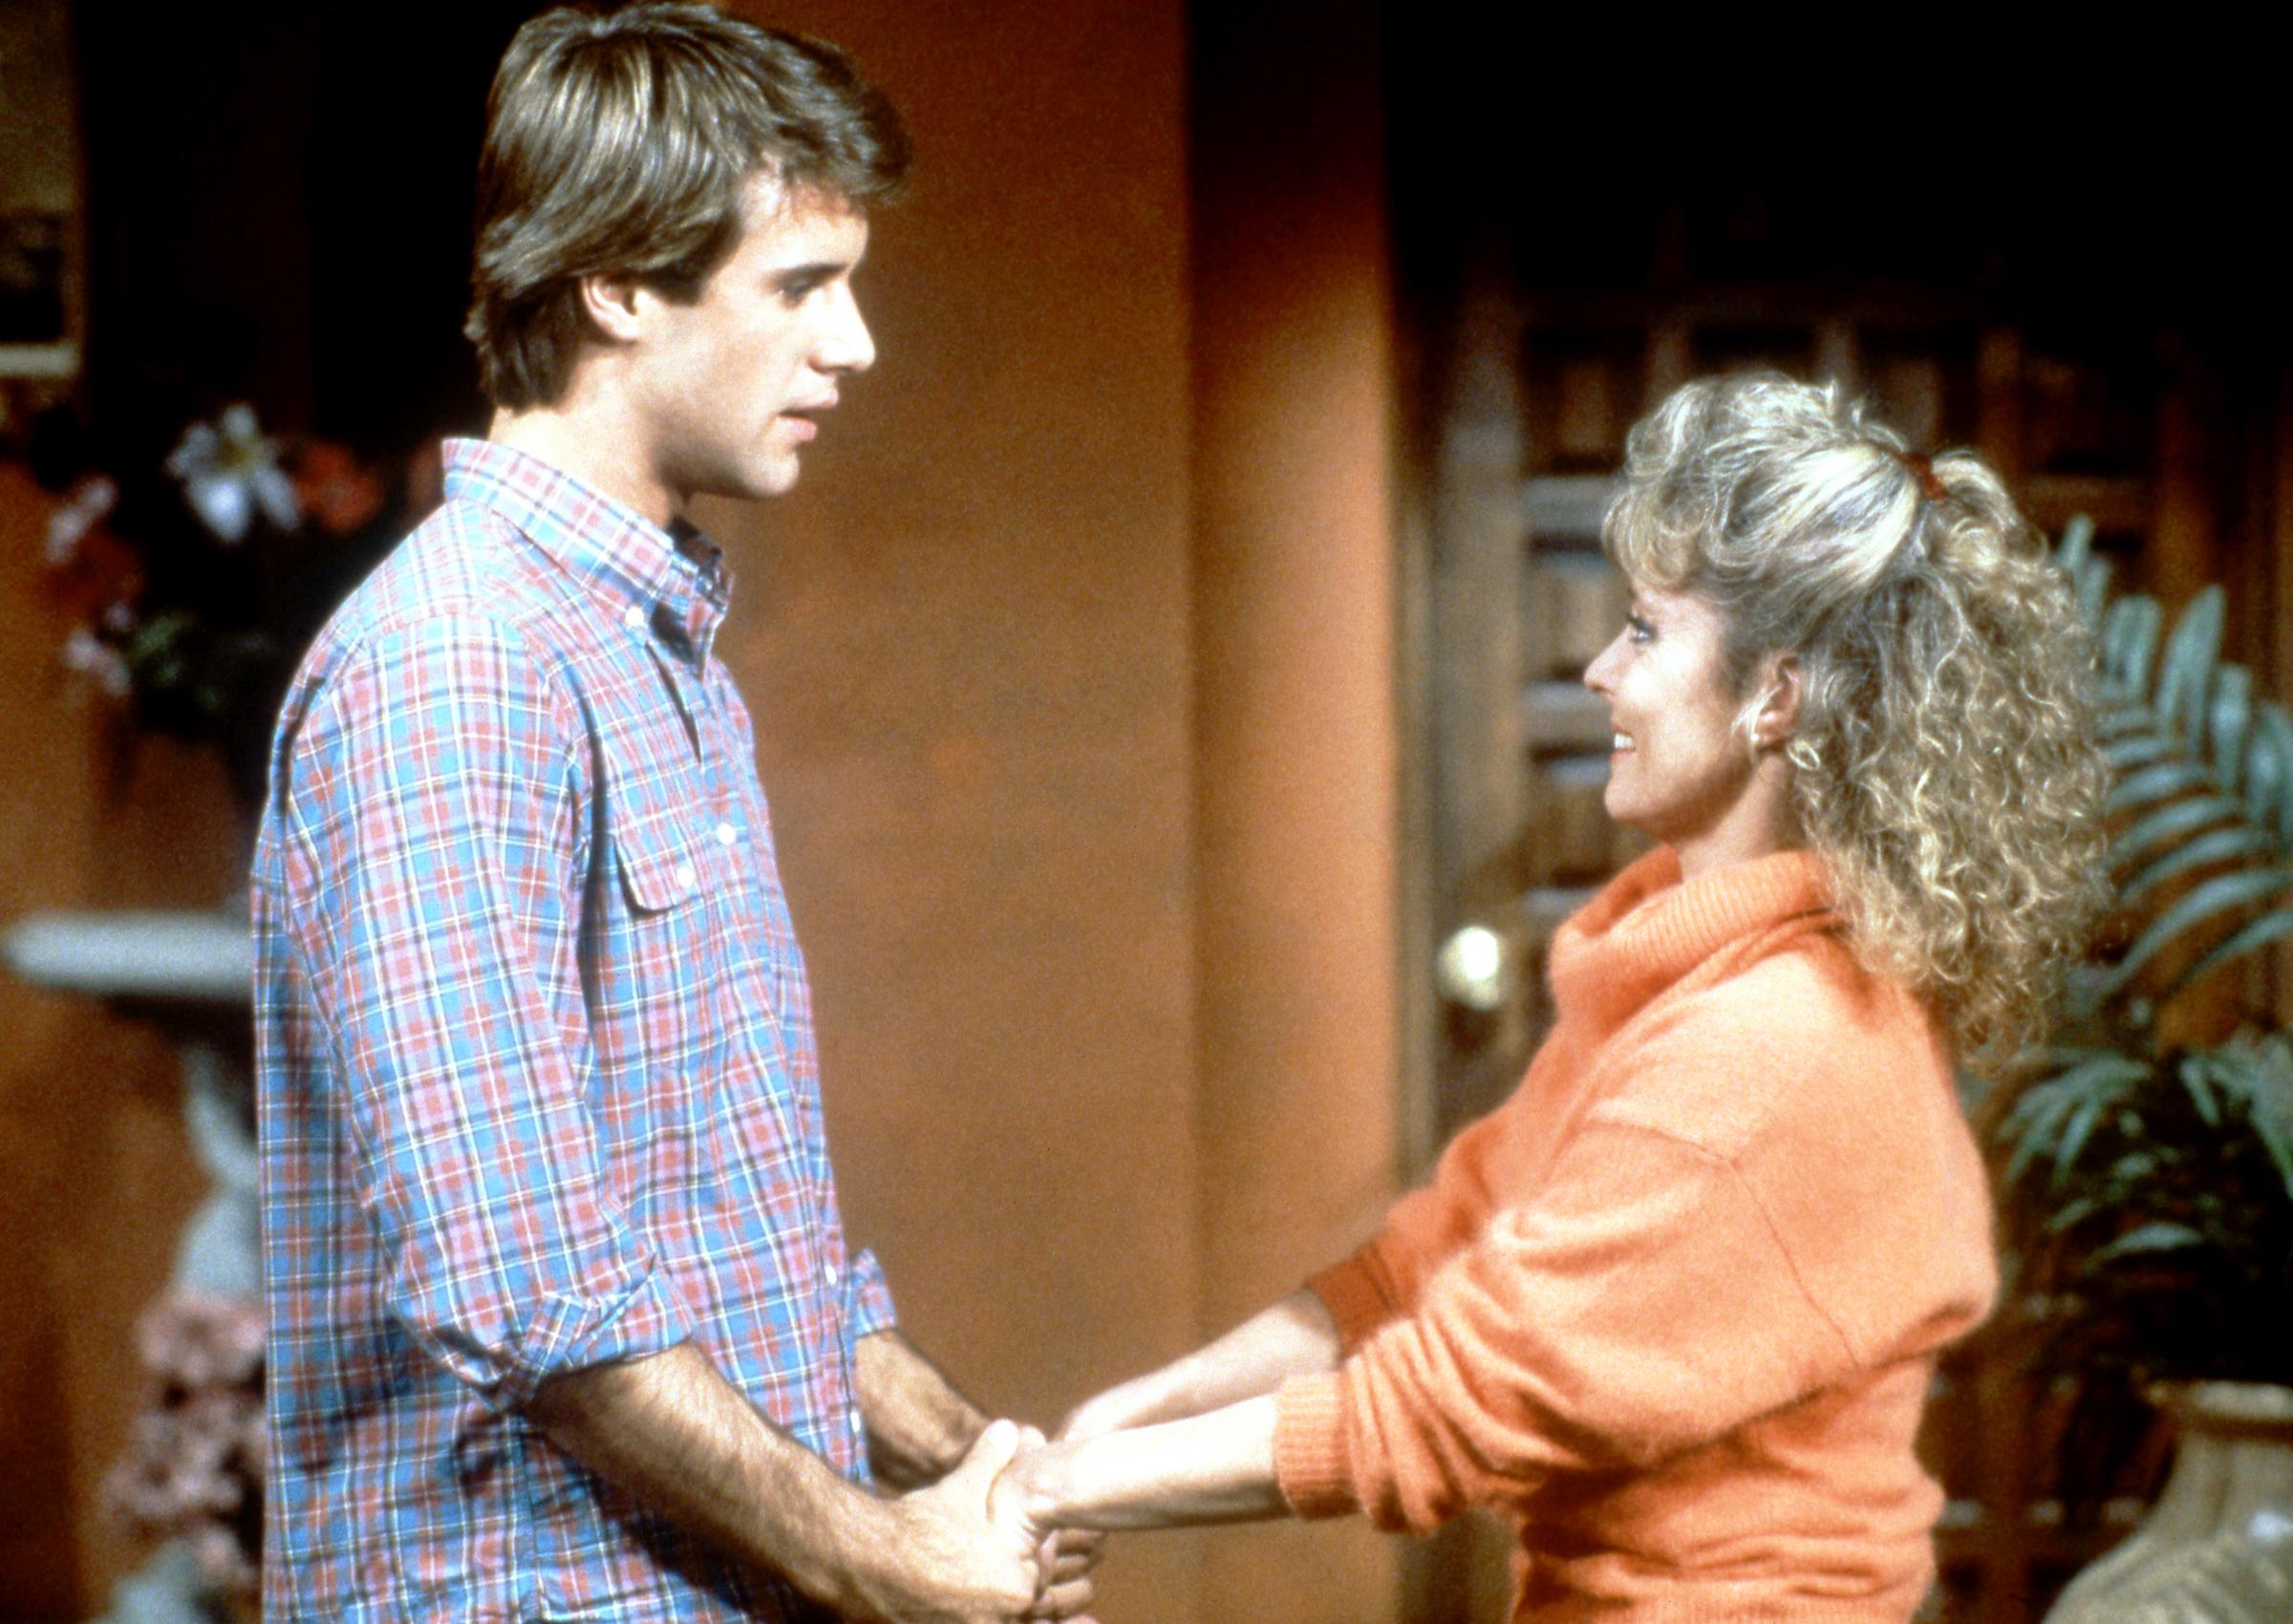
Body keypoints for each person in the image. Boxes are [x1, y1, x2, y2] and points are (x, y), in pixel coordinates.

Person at [986, 374, 2109, 1620]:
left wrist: (1055, 1494)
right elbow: (1435, 1263)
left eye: (1645, 632)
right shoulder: (1676, 986)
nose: (1596, 671)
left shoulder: (1773, 1048)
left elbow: (1457, 1402)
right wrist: (1132, 1417)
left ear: (1775, 697)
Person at [251, 7, 1092, 1622]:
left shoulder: (654, 660)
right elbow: (532, 1294)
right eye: (800, 289)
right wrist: (884, 1567)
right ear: (618, 286)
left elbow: (736, 1238)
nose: (855, 348)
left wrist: (976, 1467)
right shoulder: (460, 666)